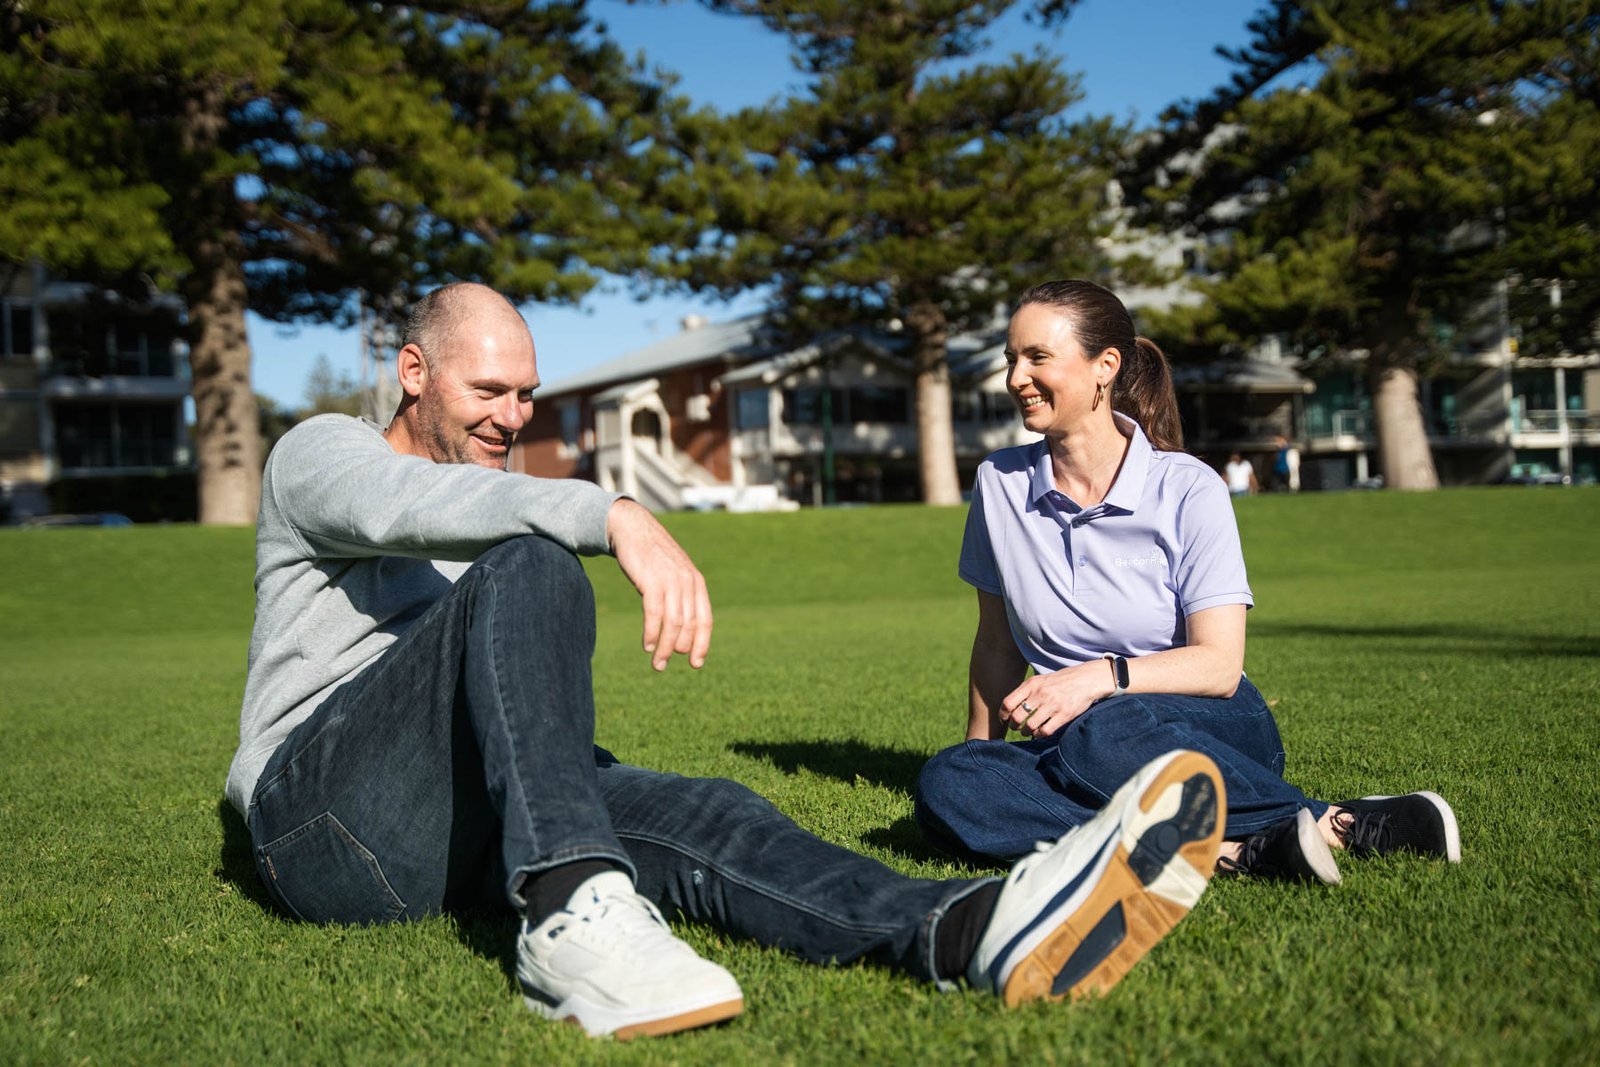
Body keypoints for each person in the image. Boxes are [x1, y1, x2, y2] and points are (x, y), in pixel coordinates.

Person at [227, 281, 1229, 1041]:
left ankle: (968, 928)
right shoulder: (322, 454)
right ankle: (572, 913)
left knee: (709, 810)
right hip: (316, 821)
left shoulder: (492, 494)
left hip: (450, 830)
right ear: (412, 373)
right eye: (488, 390)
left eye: (526, 394)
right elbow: (407, 507)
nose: (514, 416)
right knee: (531, 561)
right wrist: (614, 513)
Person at [914, 280, 1459, 887]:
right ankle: (1230, 851)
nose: (1017, 377)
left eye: (1037, 357)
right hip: (1065, 745)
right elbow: (996, 642)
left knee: (1102, 730)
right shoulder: (999, 483)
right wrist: (981, 754)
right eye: (1011, 358)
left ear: (1105, 367)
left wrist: (1096, 680)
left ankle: (1337, 821)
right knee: (948, 783)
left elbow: (1219, 666)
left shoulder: (1189, 487)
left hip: (1205, 727)